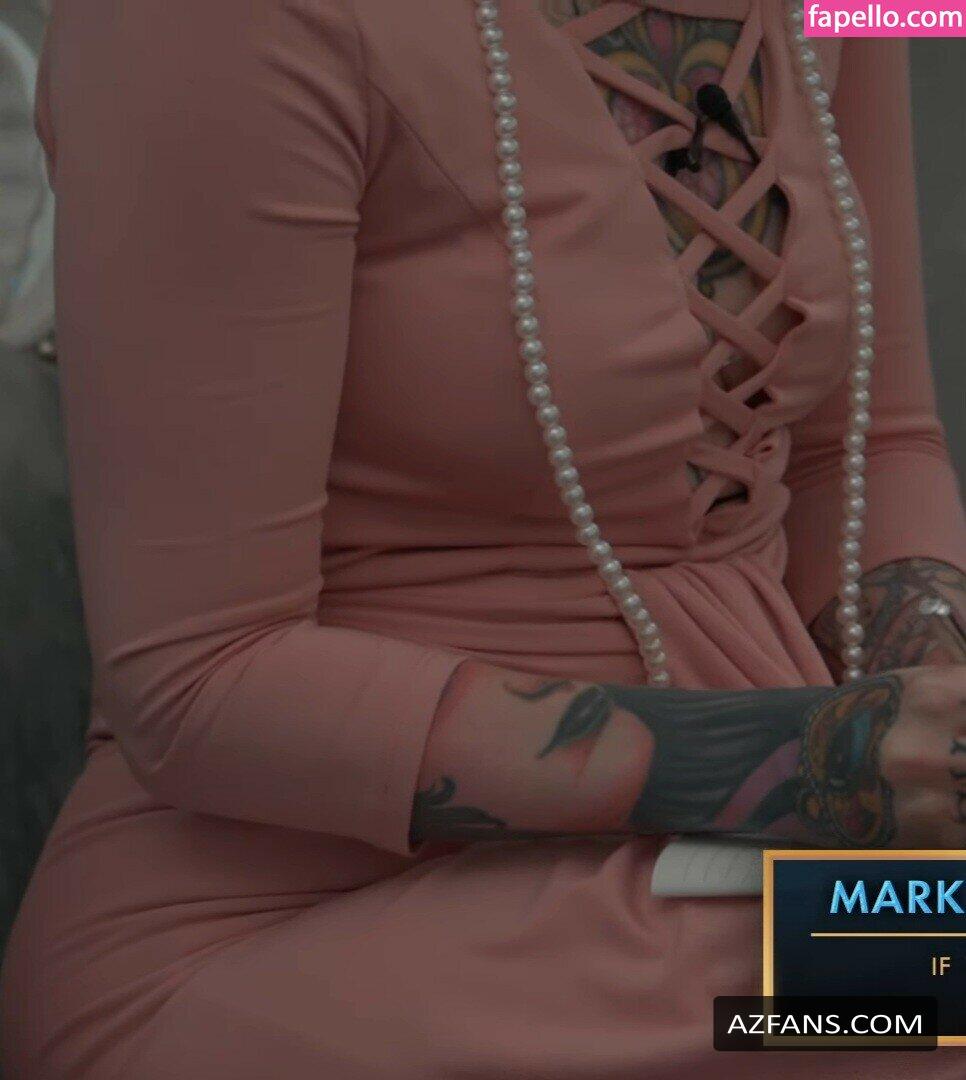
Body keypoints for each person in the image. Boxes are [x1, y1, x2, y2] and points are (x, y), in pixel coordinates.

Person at [2, 1, 965, 1076]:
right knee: (934, 1000)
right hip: (318, 926)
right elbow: (197, 681)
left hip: (759, 875)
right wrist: (810, 759)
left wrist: (939, 721)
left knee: (936, 973)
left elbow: (868, 446)